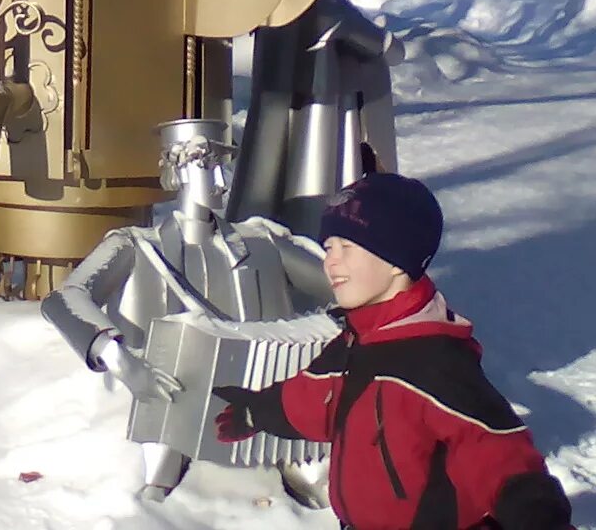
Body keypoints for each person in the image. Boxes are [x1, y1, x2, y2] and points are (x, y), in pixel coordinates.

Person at [211, 173, 573, 530]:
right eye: (328, 247)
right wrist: (256, 411)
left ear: (397, 260)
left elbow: (494, 448)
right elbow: (315, 398)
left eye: (347, 248)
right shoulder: (358, 340)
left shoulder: (435, 362)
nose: (331, 262)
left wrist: (536, 513)